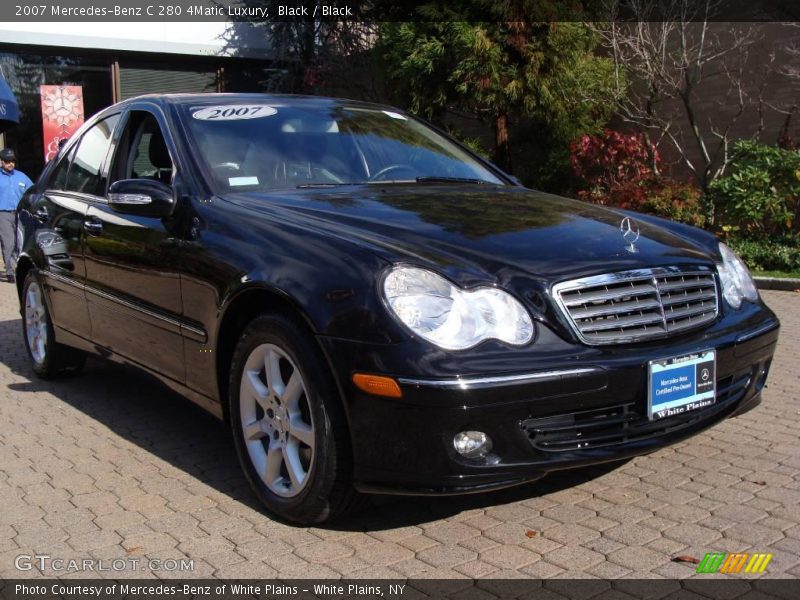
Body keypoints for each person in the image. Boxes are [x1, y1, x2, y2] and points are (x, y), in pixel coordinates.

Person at [0, 148, 33, 283]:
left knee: (20, 243)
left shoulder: (21, 176)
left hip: (20, 214)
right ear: (1, 161)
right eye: (7, 161)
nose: (10, 164)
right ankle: (10, 271)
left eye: (12, 161)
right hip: (3, 214)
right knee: (9, 243)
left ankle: (18, 267)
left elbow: (32, 191)